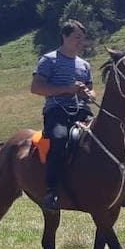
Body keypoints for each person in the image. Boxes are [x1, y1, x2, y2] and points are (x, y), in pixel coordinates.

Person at [32, 20, 95, 210]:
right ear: (65, 37)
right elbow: (36, 88)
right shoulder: (49, 60)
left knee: (102, 138)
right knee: (59, 138)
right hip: (57, 111)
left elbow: (92, 92)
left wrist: (88, 94)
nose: (81, 42)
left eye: (82, 39)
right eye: (77, 38)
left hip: (82, 110)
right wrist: (67, 89)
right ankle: (51, 190)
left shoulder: (85, 65)